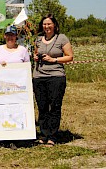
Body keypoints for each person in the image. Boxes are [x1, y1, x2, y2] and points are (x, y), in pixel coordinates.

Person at [33, 14, 73, 147]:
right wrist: (36, 57)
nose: (47, 26)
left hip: (56, 76)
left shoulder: (61, 38)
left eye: (49, 24)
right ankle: (43, 134)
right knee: (42, 106)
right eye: (44, 24)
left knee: (54, 106)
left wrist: (54, 59)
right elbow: (35, 53)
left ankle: (52, 136)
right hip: (39, 76)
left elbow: (69, 57)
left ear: (54, 25)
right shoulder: (38, 39)